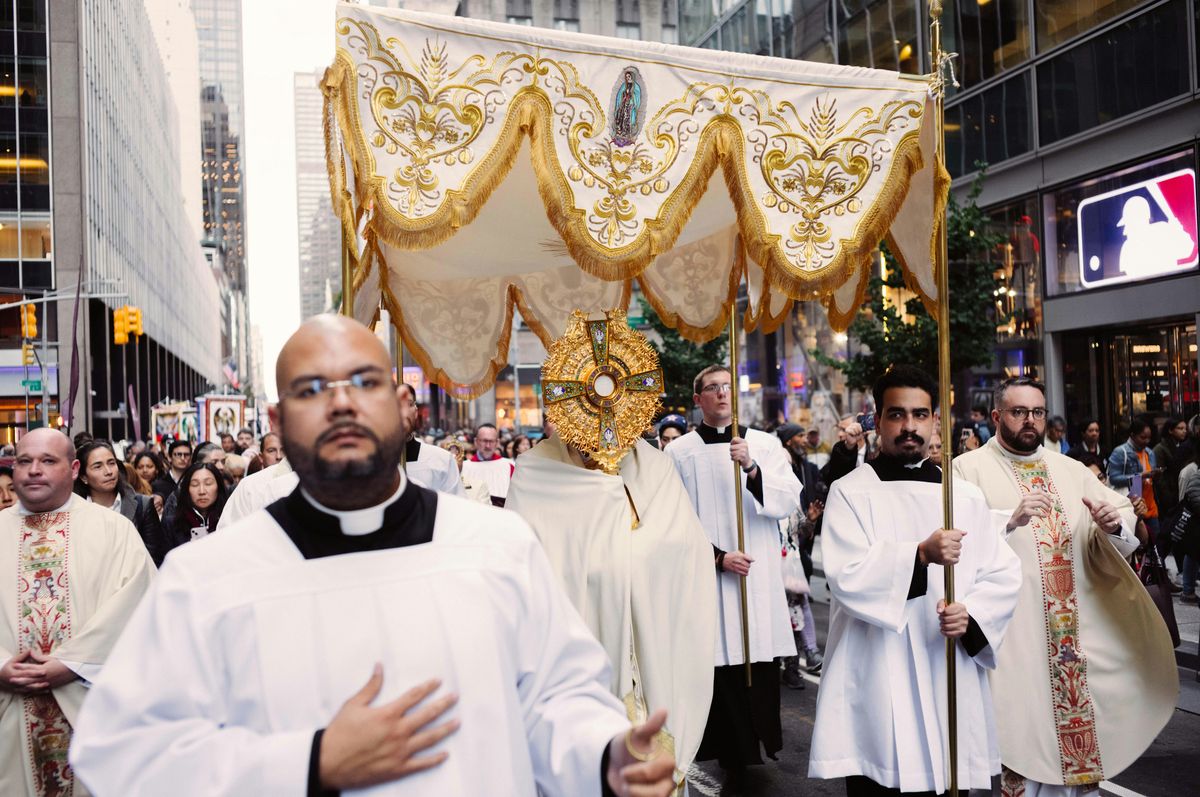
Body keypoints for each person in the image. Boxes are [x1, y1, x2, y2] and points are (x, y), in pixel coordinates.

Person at [69, 315, 677, 797]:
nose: (341, 404)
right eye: (312, 389)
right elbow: (121, 752)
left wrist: (604, 756)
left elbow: (558, 700)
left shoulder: (498, 547)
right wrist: (310, 762)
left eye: (365, 382)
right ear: (279, 420)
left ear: (400, 404)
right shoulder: (206, 580)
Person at [954, 377, 1177, 797]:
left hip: (1073, 636)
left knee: (1078, 755)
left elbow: (1118, 521)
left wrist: (1113, 526)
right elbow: (955, 545)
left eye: (1037, 412)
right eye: (1019, 412)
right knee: (1019, 744)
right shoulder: (966, 470)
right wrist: (1007, 520)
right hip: (1014, 640)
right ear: (999, 416)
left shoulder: (1070, 470)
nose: (1030, 422)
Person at [809, 365, 1022, 796]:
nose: (909, 427)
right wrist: (919, 555)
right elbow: (845, 574)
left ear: (935, 421)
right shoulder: (851, 491)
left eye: (920, 415)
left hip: (945, 662)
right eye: (897, 415)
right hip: (876, 670)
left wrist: (972, 614)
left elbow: (1001, 571)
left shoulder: (963, 496)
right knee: (881, 780)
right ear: (878, 419)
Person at [507, 431, 717, 790]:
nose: (600, 426)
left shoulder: (656, 468)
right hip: (578, 633)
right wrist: (598, 564)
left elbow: (684, 549)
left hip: (649, 640)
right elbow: (524, 564)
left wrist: (630, 559)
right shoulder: (536, 471)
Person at [0, 428, 155, 797]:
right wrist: (2, 666)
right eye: (25, 461)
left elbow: (141, 606)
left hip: (92, 711)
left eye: (47, 461)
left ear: (72, 469)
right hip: (10, 713)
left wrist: (73, 663)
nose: (34, 470)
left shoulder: (115, 530)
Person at [665, 365, 801, 772]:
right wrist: (717, 557)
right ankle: (731, 750)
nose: (722, 394)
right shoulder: (679, 452)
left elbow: (788, 498)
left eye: (727, 387)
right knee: (718, 661)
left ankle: (762, 741)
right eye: (712, 388)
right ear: (698, 399)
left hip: (755, 577)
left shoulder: (763, 444)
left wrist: (752, 469)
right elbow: (670, 519)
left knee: (756, 659)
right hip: (708, 575)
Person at [775, 423, 825, 683]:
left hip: (790, 564)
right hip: (769, 567)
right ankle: (783, 663)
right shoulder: (762, 496)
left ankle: (799, 662)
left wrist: (811, 519)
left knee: (797, 607)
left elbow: (800, 531)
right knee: (780, 615)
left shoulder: (791, 500)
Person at [74, 440, 166, 566]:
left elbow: (154, 558)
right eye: (98, 466)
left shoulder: (142, 505)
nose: (108, 471)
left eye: (112, 463)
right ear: (83, 477)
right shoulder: (76, 512)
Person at [1108, 418, 1161, 540]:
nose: (1146, 441)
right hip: (1132, 507)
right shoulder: (1120, 452)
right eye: (1143, 437)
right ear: (1132, 435)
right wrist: (1142, 475)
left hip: (1151, 506)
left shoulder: (1149, 453)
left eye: (1149, 437)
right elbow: (1114, 478)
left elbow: (1151, 478)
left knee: (1155, 545)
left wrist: (1156, 475)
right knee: (1136, 543)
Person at [164, 462, 228, 554]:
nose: (202, 491)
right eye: (194, 484)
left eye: (208, 483)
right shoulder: (171, 524)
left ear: (219, 487)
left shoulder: (229, 521)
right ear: (187, 489)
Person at [462, 423, 514, 506]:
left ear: (497, 442)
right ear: (476, 442)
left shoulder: (509, 466)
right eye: (484, 441)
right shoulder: (464, 467)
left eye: (491, 441)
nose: (488, 446)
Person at [441, 439, 491, 504]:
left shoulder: (478, 487)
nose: (453, 461)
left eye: (457, 456)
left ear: (462, 460)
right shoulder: (429, 485)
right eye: (447, 456)